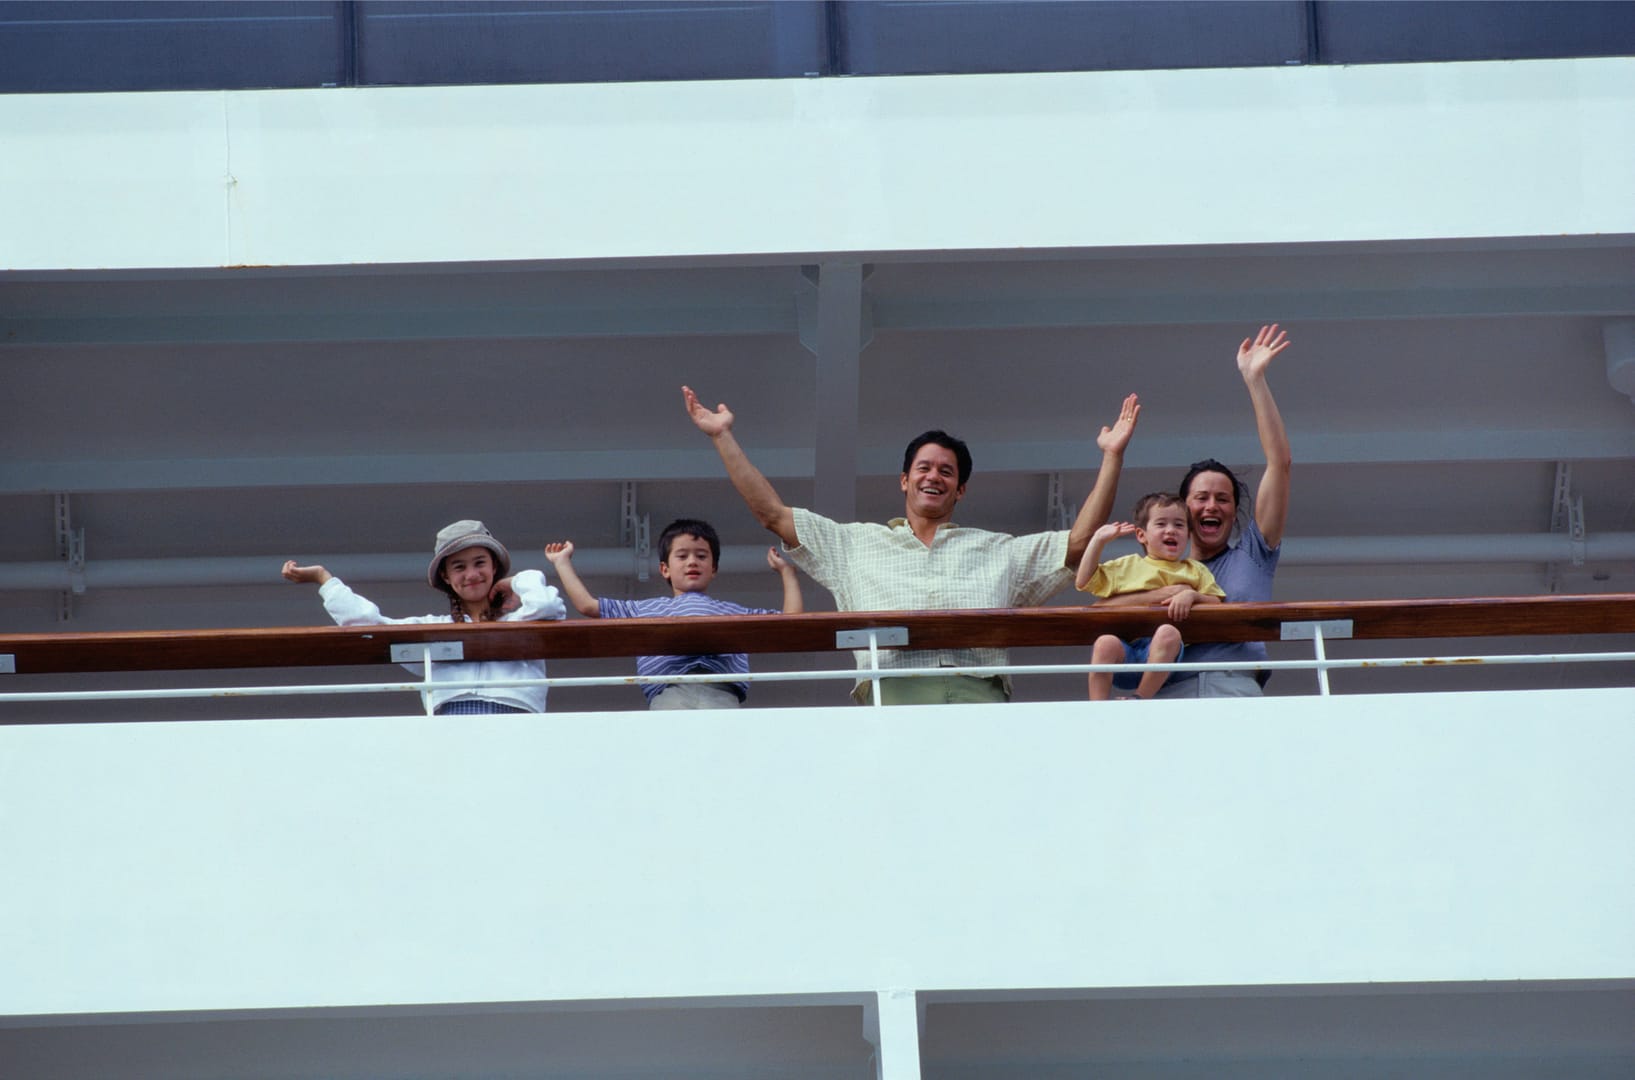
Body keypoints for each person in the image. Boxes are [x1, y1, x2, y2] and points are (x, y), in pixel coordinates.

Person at [683, 384, 1142, 705]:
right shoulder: (854, 544)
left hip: (977, 694)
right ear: (905, 480)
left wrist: (1112, 456)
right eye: (924, 468)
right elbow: (773, 514)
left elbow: (1079, 544)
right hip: (890, 693)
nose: (934, 476)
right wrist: (723, 436)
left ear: (960, 490)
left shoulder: (999, 549)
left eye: (947, 471)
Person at [1096, 324, 1293, 698]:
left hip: (1232, 687)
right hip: (1166, 693)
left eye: (1223, 499)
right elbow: (1101, 608)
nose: (1212, 505)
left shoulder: (1252, 554)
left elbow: (1279, 463)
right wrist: (1171, 592)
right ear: (1183, 510)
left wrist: (1255, 380)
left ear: (1235, 513)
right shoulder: (1157, 568)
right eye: (1201, 498)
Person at [281, 519, 566, 714]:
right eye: (459, 567)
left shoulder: (518, 621)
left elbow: (548, 606)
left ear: (494, 568)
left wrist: (519, 580)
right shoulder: (435, 627)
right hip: (452, 722)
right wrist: (324, 579)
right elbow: (369, 625)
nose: (471, 574)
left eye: (480, 563)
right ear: (446, 576)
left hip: (520, 719)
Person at [544, 518, 803, 709]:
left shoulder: (732, 611)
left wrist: (787, 573)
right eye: (682, 556)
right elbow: (588, 605)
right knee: (674, 751)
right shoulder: (648, 609)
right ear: (665, 569)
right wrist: (562, 562)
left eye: (701, 556)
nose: (692, 561)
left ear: (713, 568)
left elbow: (790, 625)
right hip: (669, 690)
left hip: (722, 690)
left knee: (720, 754)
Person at [1076, 492, 1224, 701]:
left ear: (1189, 535)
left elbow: (1216, 601)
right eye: (1161, 524)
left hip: (1163, 659)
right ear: (1141, 535)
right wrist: (1098, 541)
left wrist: (1192, 595)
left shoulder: (1194, 570)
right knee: (1105, 642)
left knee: (1167, 632)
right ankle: (1098, 706)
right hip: (1125, 655)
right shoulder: (1128, 565)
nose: (1171, 530)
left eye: (1179, 525)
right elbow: (1084, 581)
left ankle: (1140, 699)